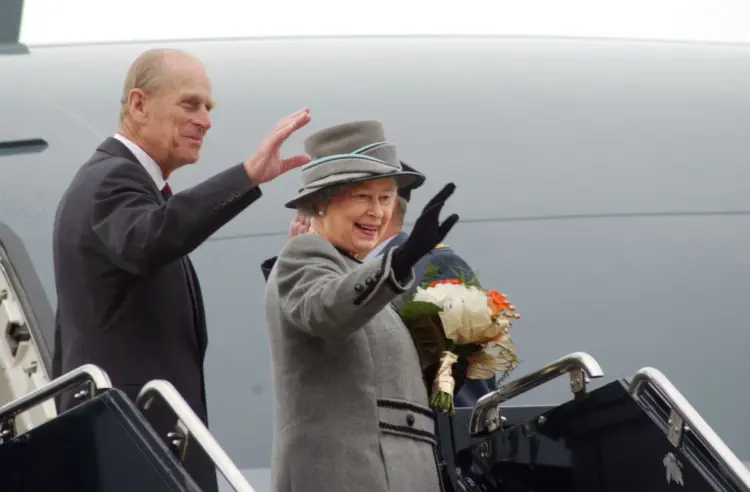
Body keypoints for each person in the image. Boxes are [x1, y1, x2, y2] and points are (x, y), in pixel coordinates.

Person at [51, 47, 311, 492]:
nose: (206, 120)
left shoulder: (135, 190)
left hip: (138, 441)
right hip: (129, 444)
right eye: (189, 104)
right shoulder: (111, 180)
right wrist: (247, 176)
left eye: (208, 108)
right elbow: (152, 239)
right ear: (138, 104)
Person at [264, 121, 459, 492]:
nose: (377, 212)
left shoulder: (360, 273)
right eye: (362, 196)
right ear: (321, 201)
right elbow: (325, 310)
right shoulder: (304, 253)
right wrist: (400, 261)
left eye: (386, 198)